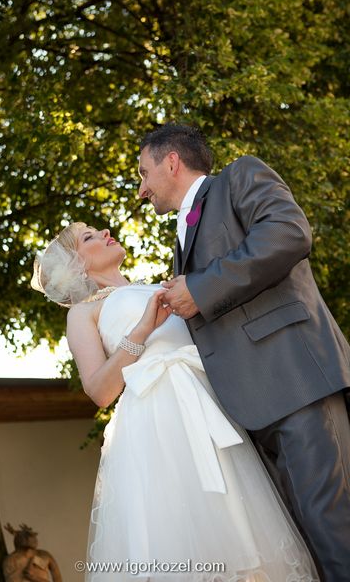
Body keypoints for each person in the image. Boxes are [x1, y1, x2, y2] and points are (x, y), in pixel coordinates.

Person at [31, 222, 319, 581]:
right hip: (158, 420)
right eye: (88, 236)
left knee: (242, 522)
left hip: (212, 407)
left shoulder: (167, 287)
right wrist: (142, 329)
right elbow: (100, 391)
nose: (104, 231)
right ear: (75, 266)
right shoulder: (83, 313)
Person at [138, 123, 350, 582]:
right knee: (308, 549)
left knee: (334, 535)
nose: (141, 189)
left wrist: (200, 288)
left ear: (171, 162)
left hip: (295, 382)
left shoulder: (239, 177)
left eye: (143, 173)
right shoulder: (180, 238)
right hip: (251, 411)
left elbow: (288, 233)